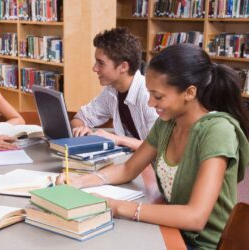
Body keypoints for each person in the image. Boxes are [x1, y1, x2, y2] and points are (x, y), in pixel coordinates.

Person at [58, 44, 249, 249]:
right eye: (149, 94)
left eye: (158, 96)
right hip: (170, 229)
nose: (150, 103)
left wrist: (117, 206)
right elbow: (128, 168)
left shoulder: (217, 131)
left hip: (199, 244)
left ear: (189, 92)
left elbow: (195, 217)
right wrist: (78, 181)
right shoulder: (167, 123)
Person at [71, 27, 158, 150]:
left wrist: (117, 139)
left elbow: (158, 146)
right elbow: (80, 117)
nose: (94, 68)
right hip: (129, 160)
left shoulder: (148, 96)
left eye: (101, 63)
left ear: (123, 67)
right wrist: (80, 129)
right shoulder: (111, 90)